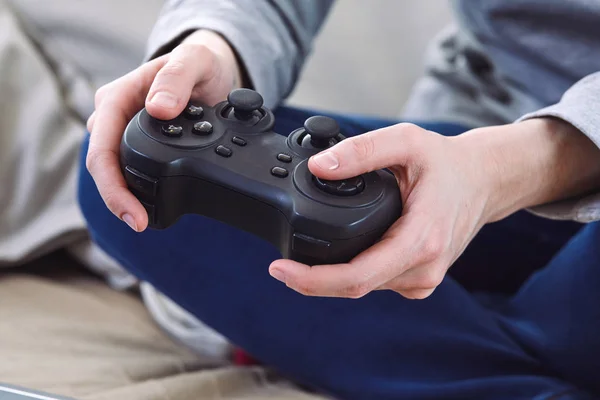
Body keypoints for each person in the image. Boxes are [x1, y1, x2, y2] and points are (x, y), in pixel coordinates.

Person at [79, 0, 600, 399]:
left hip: (558, 156)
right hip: (470, 131)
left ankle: (479, 346)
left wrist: (506, 169)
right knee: (127, 158)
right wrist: (213, 48)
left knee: (567, 332)